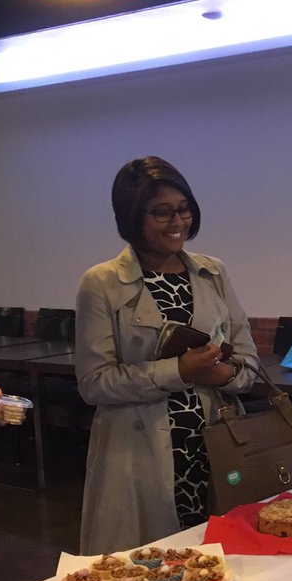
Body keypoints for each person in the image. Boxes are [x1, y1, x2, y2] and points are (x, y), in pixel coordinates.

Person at [75, 156, 259, 554]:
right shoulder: (101, 283)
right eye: (162, 213)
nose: (178, 222)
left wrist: (221, 374)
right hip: (141, 459)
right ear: (131, 216)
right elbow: (94, 383)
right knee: (155, 573)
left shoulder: (213, 272)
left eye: (184, 209)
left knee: (224, 566)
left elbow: (249, 364)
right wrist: (178, 370)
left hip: (216, 447)